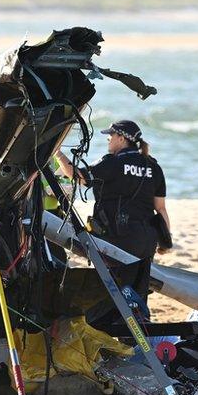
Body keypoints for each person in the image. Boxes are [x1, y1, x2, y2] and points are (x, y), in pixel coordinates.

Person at [54, 120, 171, 306]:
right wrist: (165, 241)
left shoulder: (114, 162)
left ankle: (114, 327)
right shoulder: (153, 166)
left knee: (110, 292)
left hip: (118, 237)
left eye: (111, 136)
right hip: (147, 239)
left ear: (122, 138)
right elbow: (161, 208)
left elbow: (79, 175)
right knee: (138, 292)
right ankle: (138, 327)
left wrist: (57, 153)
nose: (108, 140)